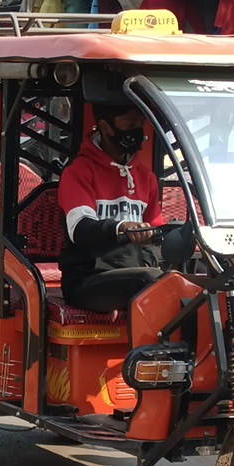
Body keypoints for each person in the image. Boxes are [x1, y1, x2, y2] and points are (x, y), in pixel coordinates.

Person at [59, 93, 167, 314]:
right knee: (153, 281)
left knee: (192, 284)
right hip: (88, 280)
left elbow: (156, 231)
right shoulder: (78, 173)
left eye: (140, 124)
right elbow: (80, 228)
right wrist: (121, 227)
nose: (137, 130)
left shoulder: (147, 177)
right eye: (129, 123)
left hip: (133, 274)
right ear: (105, 127)